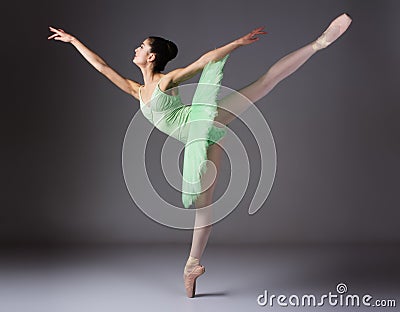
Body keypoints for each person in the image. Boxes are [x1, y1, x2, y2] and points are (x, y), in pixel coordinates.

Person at [48, 13, 352, 298]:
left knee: (262, 84)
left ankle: (318, 43)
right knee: (204, 209)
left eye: (141, 46)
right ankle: (192, 265)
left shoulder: (166, 81)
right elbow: (102, 67)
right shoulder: (137, 89)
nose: (136, 48)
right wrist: (74, 41)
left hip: (203, 121)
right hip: (198, 141)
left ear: (151, 56)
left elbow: (202, 62)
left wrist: (236, 44)